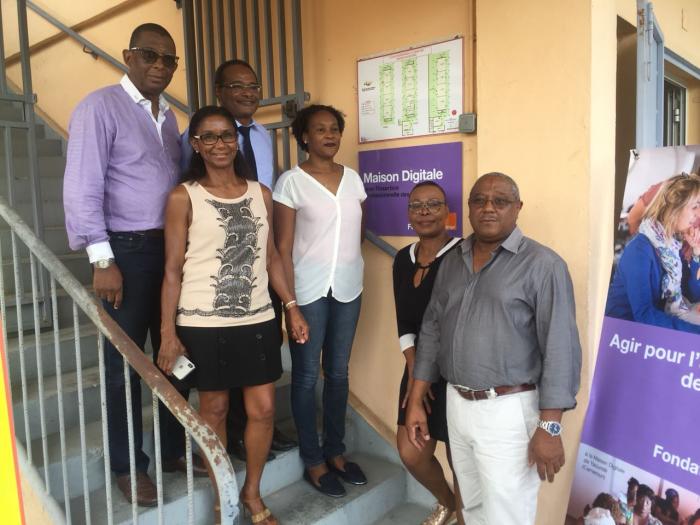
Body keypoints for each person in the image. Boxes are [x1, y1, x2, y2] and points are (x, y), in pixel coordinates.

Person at [63, 23, 205, 506]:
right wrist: (102, 258)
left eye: (169, 59)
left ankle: (172, 449)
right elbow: (82, 186)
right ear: (128, 56)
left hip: (170, 251)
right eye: (150, 55)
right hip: (126, 251)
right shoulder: (99, 108)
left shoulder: (167, 118)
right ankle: (128, 466)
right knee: (125, 362)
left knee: (175, 354)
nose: (160, 66)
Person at [159, 105, 308, 524]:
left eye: (226, 135)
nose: (219, 144)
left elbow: (272, 257)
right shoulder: (183, 196)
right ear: (195, 144)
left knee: (263, 410)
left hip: (257, 317)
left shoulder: (261, 193)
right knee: (215, 411)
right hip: (203, 322)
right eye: (208, 137)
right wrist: (168, 332)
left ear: (236, 140)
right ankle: (222, 496)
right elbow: (171, 271)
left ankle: (252, 493)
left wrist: (290, 306)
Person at [406, 172, 582, 525]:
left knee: (506, 514)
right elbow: (432, 329)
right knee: (470, 507)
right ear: (468, 208)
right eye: (479, 200)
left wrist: (550, 427)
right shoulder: (452, 260)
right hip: (457, 403)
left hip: (508, 411)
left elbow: (560, 348)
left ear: (517, 208)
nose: (488, 208)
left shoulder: (543, 265)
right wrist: (416, 400)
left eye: (500, 201)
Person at [180, 58, 297, 462]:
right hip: (209, 287)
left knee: (259, 393)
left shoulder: (262, 136)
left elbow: (270, 237)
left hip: (259, 271)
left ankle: (255, 437)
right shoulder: (189, 172)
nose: (248, 92)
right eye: (237, 86)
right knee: (216, 399)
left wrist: (290, 303)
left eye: (253, 85)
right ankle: (227, 442)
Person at [273, 104, 367, 498]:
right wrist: (290, 304)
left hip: (348, 288)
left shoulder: (354, 180)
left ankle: (335, 452)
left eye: (334, 129)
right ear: (304, 137)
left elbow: (356, 234)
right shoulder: (291, 183)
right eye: (320, 129)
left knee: (339, 373)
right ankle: (313, 459)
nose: (329, 135)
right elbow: (281, 248)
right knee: (307, 375)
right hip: (308, 292)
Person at [392, 181, 463, 525]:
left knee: (459, 460)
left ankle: (465, 516)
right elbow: (404, 321)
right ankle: (448, 503)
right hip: (417, 368)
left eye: (433, 204)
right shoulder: (401, 259)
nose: (424, 212)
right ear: (409, 213)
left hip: (456, 368)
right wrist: (415, 371)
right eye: (416, 205)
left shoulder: (464, 254)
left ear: (447, 212)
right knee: (412, 452)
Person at [606, 174, 700, 333]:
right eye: (695, 207)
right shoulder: (639, 250)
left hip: (650, 329)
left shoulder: (672, 246)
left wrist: (697, 252)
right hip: (623, 335)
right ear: (675, 207)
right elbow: (644, 315)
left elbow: (693, 295)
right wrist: (695, 332)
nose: (698, 214)